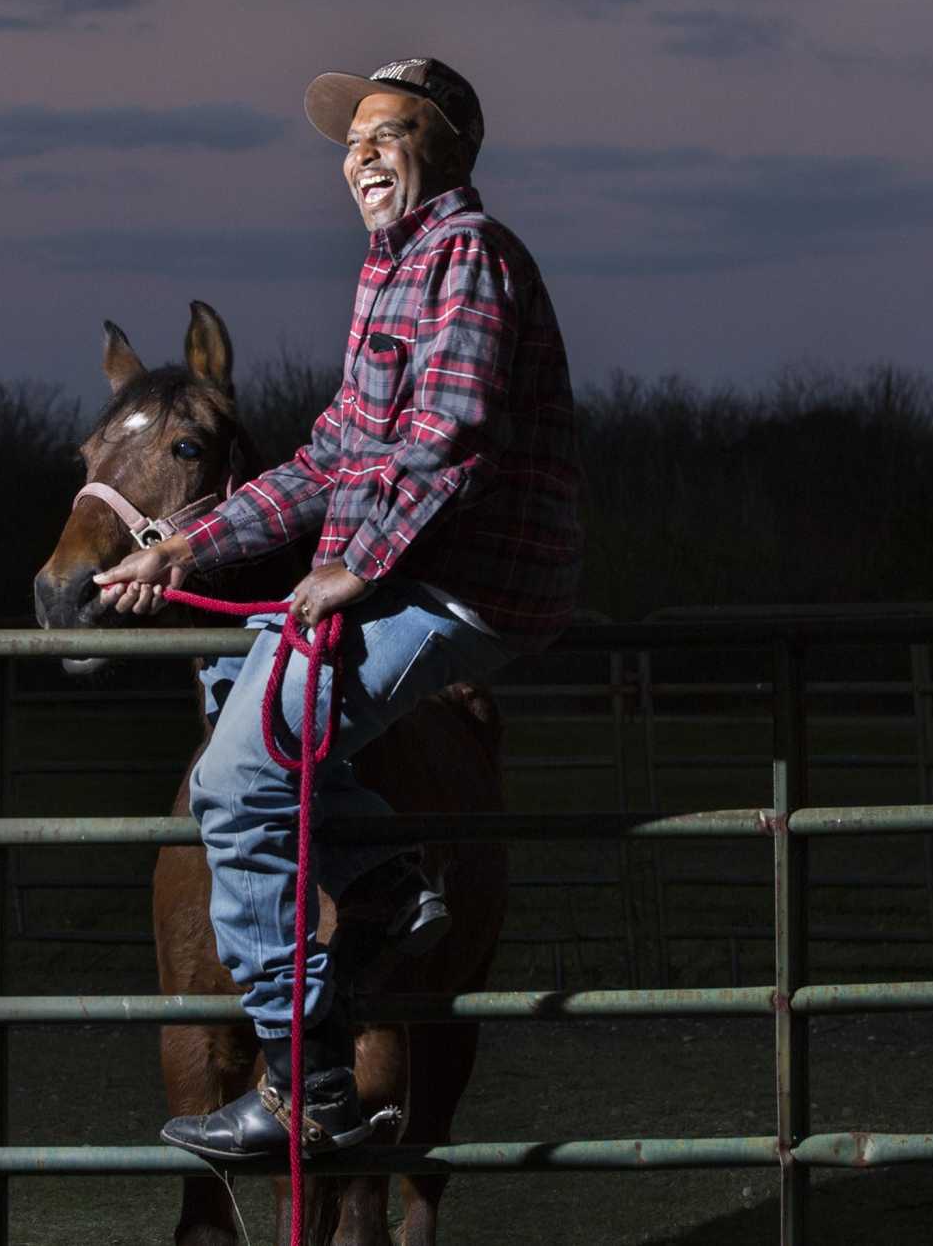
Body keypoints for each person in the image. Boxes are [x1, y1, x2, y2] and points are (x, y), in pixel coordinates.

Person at [94, 56, 582, 1159]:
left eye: (387, 129)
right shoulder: (389, 267)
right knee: (235, 670)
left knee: (232, 776)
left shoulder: (464, 254)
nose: (358, 151)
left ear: (447, 147)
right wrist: (182, 544)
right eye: (348, 139)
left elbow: (444, 437)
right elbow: (329, 455)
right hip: (412, 568)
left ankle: (302, 1080)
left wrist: (352, 568)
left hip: (465, 585)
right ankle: (382, 872)